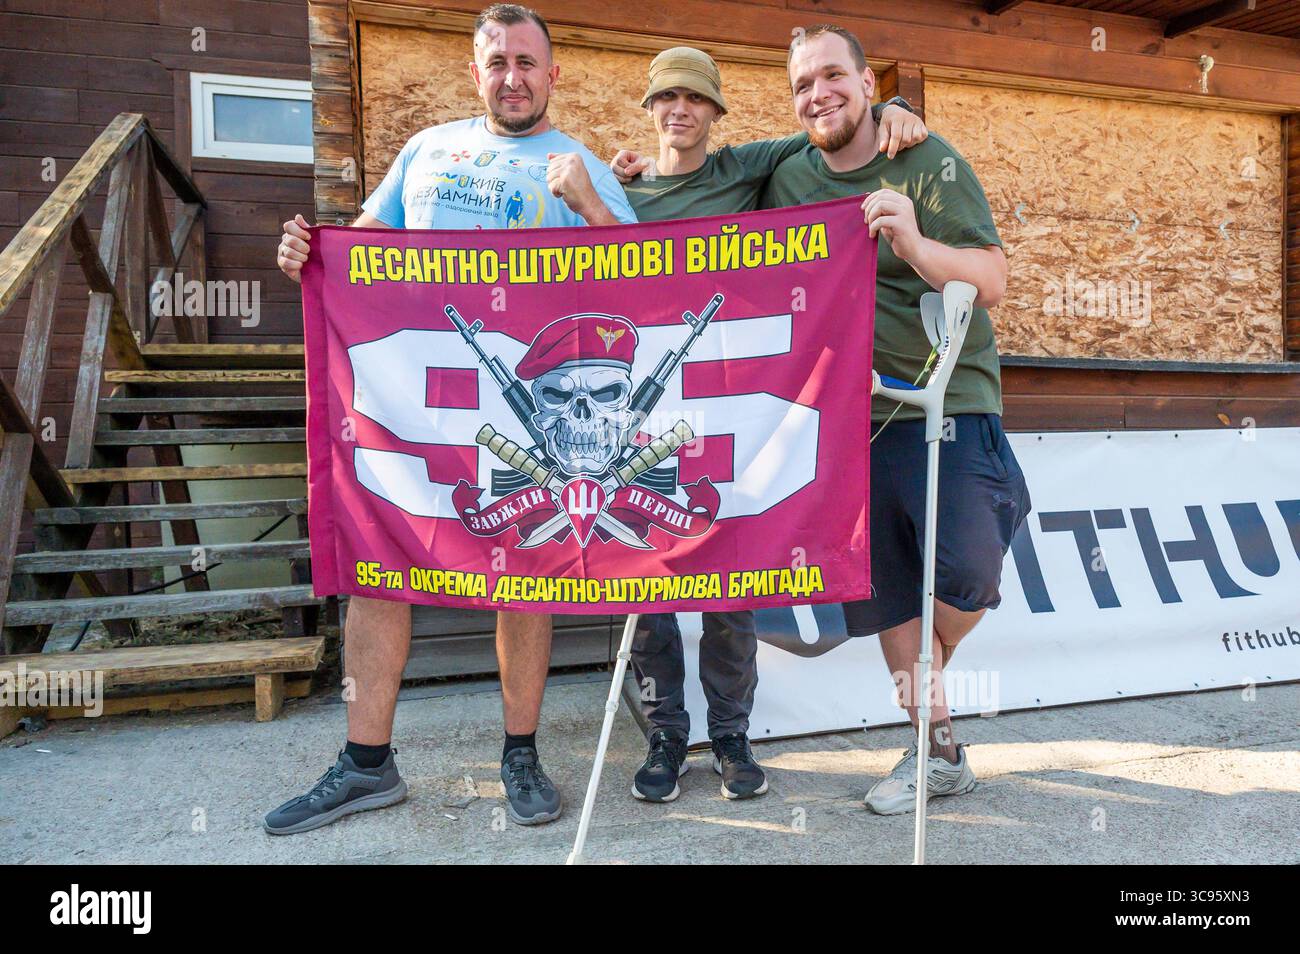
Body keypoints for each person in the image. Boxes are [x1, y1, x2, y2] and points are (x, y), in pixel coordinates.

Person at [266, 3, 636, 834]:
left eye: (528, 62)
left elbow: (649, 285)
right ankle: (367, 764)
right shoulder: (428, 149)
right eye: (497, 61)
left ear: (553, 74)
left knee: (525, 577)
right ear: (477, 71)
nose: (513, 76)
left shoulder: (581, 164)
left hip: (523, 411)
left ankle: (521, 752)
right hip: (417, 407)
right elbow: (361, 249)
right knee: (377, 569)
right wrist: (309, 258)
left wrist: (595, 209)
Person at [612, 47, 928, 803]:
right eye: (666, 99)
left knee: (729, 581)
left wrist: (894, 110)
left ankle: (730, 735)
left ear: (715, 114)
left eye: (695, 99)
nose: (679, 111)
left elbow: (834, 124)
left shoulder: (743, 169)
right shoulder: (614, 189)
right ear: (650, 109)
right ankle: (663, 737)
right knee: (646, 593)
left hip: (727, 411)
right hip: (637, 420)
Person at [763, 24, 1031, 814]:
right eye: (804, 84)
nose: (820, 94)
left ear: (869, 82)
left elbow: (992, 277)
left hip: (949, 403)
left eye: (834, 76)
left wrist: (915, 243)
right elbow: (703, 194)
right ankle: (937, 748)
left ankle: (931, 688)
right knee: (884, 595)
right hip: (852, 420)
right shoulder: (785, 171)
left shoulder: (929, 158)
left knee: (970, 573)